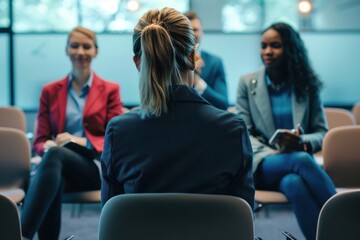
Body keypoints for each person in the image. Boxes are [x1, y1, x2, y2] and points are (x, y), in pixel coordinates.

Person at [101, 7, 254, 210]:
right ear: (192, 59)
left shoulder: (119, 132)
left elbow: (112, 220)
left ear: (138, 63)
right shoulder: (232, 129)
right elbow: (242, 218)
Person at [21, 26, 123, 240]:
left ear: (96, 51)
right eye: (74, 46)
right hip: (58, 167)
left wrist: (81, 141)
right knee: (55, 169)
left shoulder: (110, 89)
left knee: (55, 157)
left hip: (94, 168)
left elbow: (116, 140)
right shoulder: (50, 91)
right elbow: (39, 141)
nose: (80, 52)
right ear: (67, 50)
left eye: (86, 46)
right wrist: (48, 146)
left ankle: (22, 234)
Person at [236, 22, 336, 240]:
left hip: (294, 166)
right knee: (299, 160)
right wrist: (273, 152)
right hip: (261, 164)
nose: (267, 51)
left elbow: (321, 132)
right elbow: (242, 133)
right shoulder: (247, 83)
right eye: (263, 46)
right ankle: (348, 216)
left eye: (275, 45)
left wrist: (302, 141)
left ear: (290, 48)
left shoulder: (307, 84)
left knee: (294, 183)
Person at [183, 11, 229, 110]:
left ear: (201, 31)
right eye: (187, 30)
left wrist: (196, 80)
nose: (191, 34)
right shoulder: (170, 63)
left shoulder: (215, 63)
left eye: (195, 29)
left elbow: (223, 104)